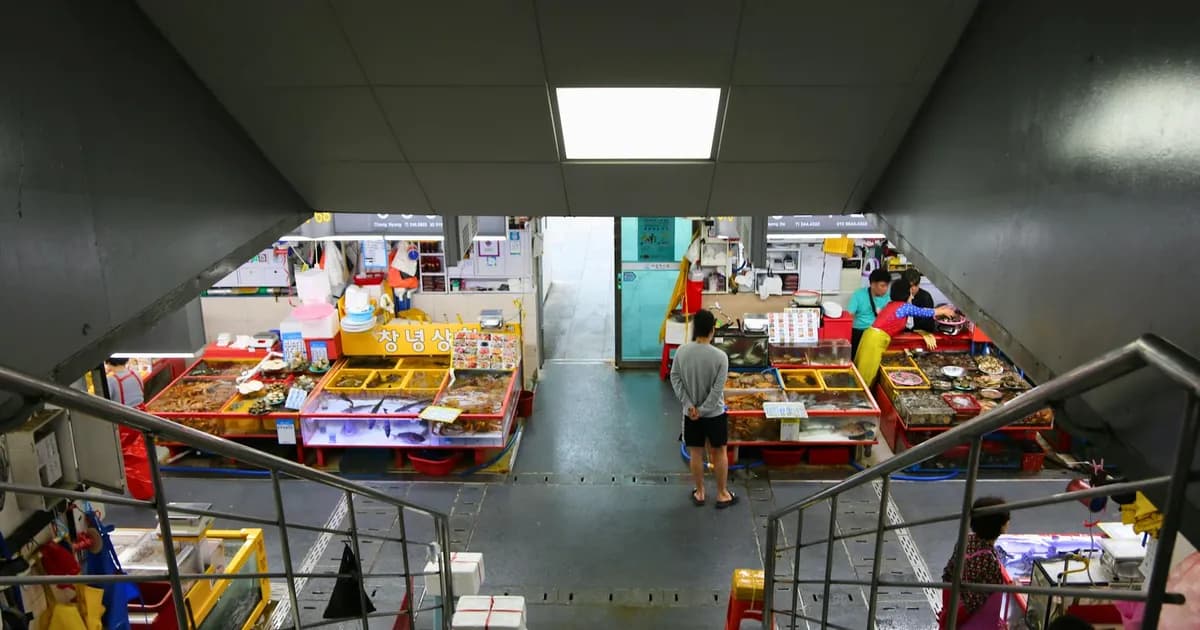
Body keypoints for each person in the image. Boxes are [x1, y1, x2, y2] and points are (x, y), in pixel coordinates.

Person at [670, 309, 738, 509]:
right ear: (712, 330)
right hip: (714, 414)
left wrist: (690, 406)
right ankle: (722, 494)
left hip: (690, 415)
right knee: (720, 452)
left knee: (696, 453)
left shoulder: (682, 351)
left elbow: (675, 378)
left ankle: (700, 493)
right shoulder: (720, 357)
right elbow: (718, 390)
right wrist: (705, 409)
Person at [854, 279, 956, 386]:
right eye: (910, 293)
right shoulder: (903, 307)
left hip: (869, 336)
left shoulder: (891, 304)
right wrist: (943, 311)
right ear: (906, 294)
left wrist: (940, 310)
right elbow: (922, 312)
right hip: (875, 340)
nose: (912, 296)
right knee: (866, 376)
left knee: (862, 371)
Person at [939, 496, 1011, 629]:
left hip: (957, 607)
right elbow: (974, 601)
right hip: (974, 621)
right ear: (1000, 526)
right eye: (1007, 519)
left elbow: (949, 574)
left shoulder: (965, 541)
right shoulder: (988, 559)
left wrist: (947, 610)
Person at [846, 269, 892, 357]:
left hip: (878, 333)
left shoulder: (887, 298)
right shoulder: (858, 294)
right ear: (873, 284)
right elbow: (849, 315)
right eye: (882, 286)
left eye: (887, 286)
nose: (885, 289)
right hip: (859, 332)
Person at [902, 269, 937, 333]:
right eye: (910, 286)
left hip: (921, 335)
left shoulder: (926, 297)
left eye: (916, 285)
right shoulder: (899, 297)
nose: (913, 288)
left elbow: (928, 325)